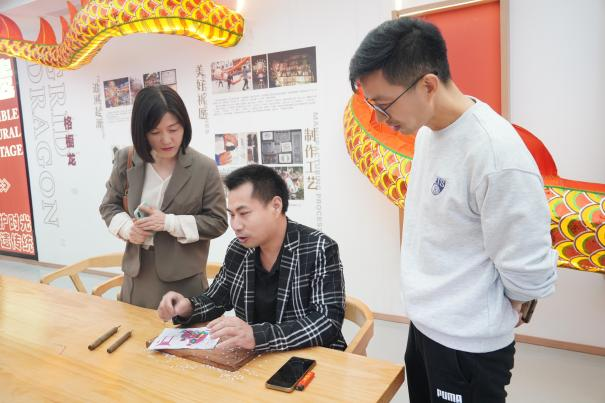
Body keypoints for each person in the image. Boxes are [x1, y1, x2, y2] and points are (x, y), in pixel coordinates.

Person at [349, 18, 557, 403]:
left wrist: (493, 308)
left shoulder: (495, 152)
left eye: (383, 104)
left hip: (468, 346)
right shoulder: (428, 133)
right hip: (426, 327)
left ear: (428, 85)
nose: (378, 118)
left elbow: (529, 269)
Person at [157, 164, 346, 352]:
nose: (236, 225)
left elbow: (327, 322)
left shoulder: (319, 247)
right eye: (232, 215)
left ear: (275, 206)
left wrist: (258, 336)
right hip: (255, 356)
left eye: (244, 213)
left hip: (311, 359)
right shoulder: (239, 249)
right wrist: (188, 307)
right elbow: (216, 299)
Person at [100, 85, 228, 309]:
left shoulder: (204, 168)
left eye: (173, 129)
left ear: (184, 125)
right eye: (155, 132)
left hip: (184, 280)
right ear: (141, 131)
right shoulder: (126, 159)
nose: (167, 140)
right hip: (137, 277)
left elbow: (218, 222)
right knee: (135, 330)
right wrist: (128, 229)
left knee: (180, 332)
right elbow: (109, 206)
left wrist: (169, 222)